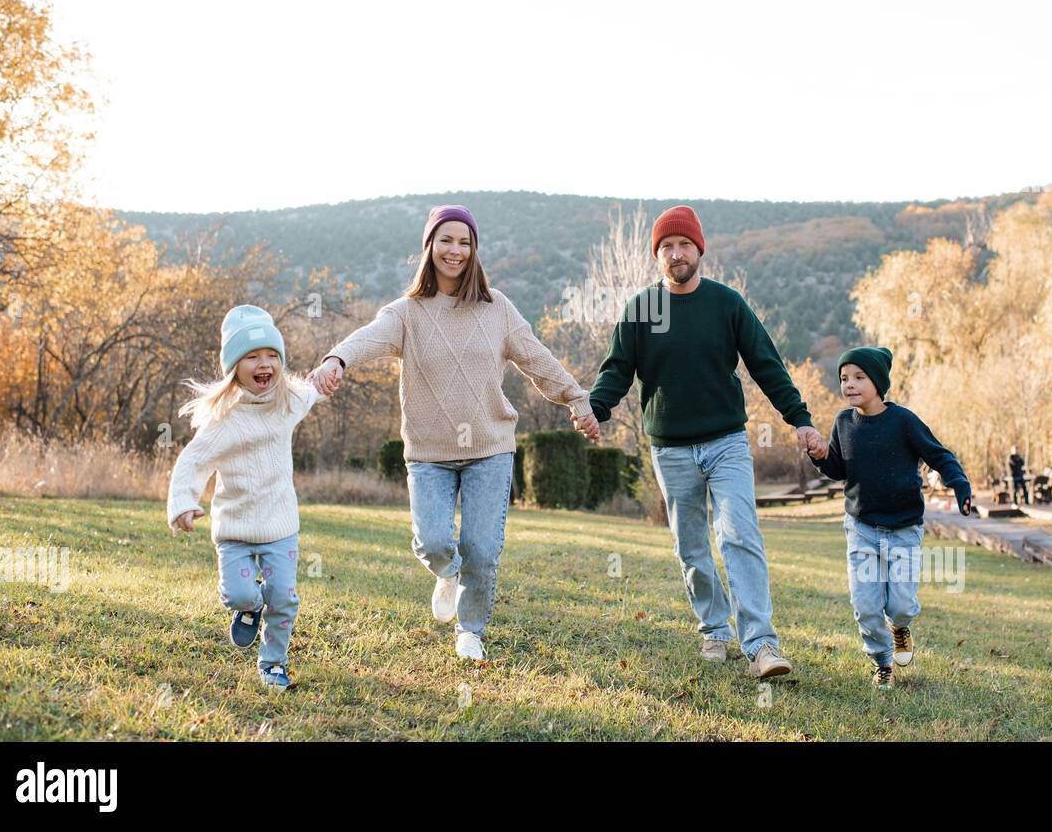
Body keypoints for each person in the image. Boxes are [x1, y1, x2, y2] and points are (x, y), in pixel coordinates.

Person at [311, 205, 597, 662]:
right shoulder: (406, 313)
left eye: (464, 242)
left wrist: (577, 399)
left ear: (474, 250)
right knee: (434, 542)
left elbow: (536, 359)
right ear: (429, 246)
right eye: (446, 240)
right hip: (429, 453)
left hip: (489, 447)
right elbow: (367, 338)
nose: (455, 250)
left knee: (482, 549)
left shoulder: (496, 307)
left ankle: (470, 630)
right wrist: (335, 360)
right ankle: (447, 573)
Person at [583, 205, 826, 679]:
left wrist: (799, 418)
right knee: (691, 546)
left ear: (699, 250)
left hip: (727, 442)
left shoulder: (726, 304)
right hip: (670, 450)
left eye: (684, 246)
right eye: (667, 247)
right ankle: (714, 629)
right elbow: (617, 370)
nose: (676, 254)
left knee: (739, 535)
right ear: (658, 255)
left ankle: (761, 645)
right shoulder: (642, 309)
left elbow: (766, 364)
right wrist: (596, 409)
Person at [167, 305, 324, 692]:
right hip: (235, 528)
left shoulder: (287, 403)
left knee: (284, 599)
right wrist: (183, 503)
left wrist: (331, 371)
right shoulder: (223, 421)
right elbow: (193, 461)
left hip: (280, 527)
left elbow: (315, 388)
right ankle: (250, 608)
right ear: (235, 366)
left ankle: (273, 663)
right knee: (239, 593)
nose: (264, 363)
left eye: (272, 355)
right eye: (252, 356)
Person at [810, 346, 972, 691]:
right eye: (844, 378)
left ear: (878, 382)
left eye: (858, 377)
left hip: (903, 530)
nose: (849, 384)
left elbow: (939, 455)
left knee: (900, 605)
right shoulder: (843, 423)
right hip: (862, 528)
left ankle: (900, 628)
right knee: (866, 606)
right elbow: (839, 469)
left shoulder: (903, 421)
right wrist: (822, 456)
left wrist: (958, 482)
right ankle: (882, 662)